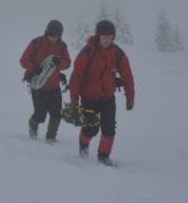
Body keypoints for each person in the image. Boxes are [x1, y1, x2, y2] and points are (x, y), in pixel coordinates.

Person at [69, 20, 135, 166]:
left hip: (107, 98)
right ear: (98, 36)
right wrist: (74, 100)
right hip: (89, 97)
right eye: (104, 37)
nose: (107, 41)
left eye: (110, 37)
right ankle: (83, 146)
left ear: (113, 37)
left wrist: (130, 97)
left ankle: (103, 156)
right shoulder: (88, 52)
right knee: (91, 128)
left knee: (109, 128)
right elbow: (76, 77)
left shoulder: (117, 53)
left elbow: (127, 76)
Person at [20, 20, 71, 142]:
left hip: (54, 86)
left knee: (56, 114)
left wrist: (60, 63)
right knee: (40, 115)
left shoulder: (62, 46)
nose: (53, 38)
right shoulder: (36, 43)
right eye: (51, 35)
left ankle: (51, 139)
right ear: (47, 32)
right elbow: (23, 60)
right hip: (37, 86)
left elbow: (68, 62)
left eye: (56, 36)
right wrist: (33, 68)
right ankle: (33, 126)